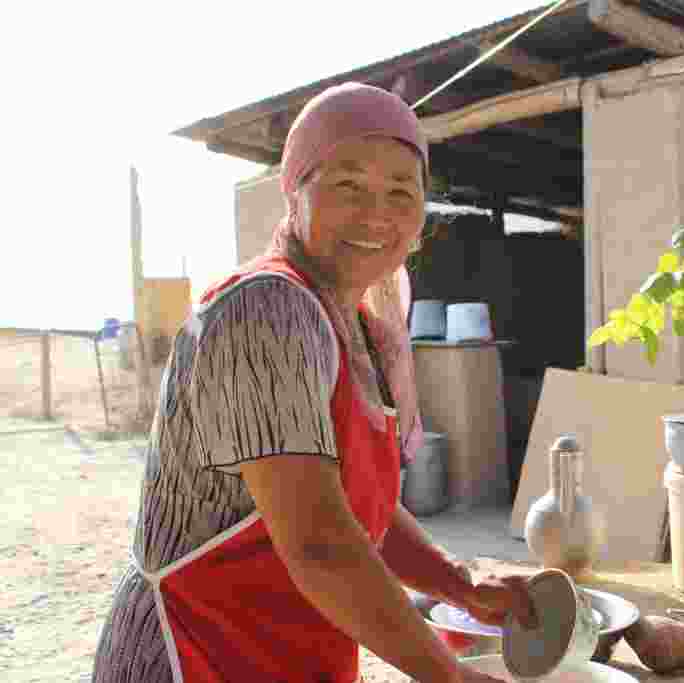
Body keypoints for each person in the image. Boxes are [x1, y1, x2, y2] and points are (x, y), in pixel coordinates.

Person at [92, 82, 537, 683]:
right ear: (294, 193)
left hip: (284, 651)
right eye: (347, 186)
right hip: (197, 650)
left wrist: (458, 584)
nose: (377, 214)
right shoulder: (266, 311)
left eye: (401, 191)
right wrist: (449, 676)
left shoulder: (357, 327)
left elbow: (358, 512)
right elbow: (320, 542)